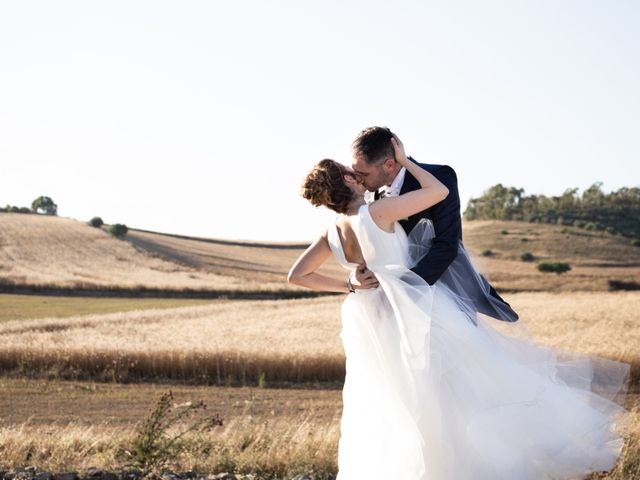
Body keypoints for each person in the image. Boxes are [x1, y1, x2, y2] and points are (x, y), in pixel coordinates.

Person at [287, 132, 631, 479]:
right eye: (352, 170)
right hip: (411, 307)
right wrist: (405, 161)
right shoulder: (378, 211)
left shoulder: (331, 232)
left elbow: (297, 275)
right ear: (347, 179)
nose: (358, 173)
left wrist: (348, 284)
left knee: (393, 401)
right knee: (460, 389)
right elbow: (438, 193)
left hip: (370, 314)